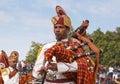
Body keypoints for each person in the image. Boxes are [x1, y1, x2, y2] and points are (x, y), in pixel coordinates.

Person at [32, 5, 100, 84]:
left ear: (68, 29)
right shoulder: (46, 47)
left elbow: (83, 65)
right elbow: (36, 73)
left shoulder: (75, 44)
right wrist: (40, 71)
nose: (57, 30)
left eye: (61, 27)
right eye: (55, 27)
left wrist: (59, 67)